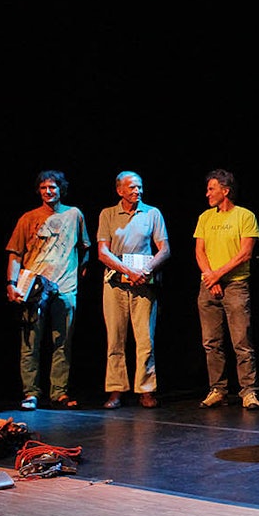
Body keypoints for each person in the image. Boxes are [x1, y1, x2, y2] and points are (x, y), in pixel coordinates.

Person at [5, 170, 90, 410]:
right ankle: (31, 392)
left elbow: (85, 247)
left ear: (61, 189)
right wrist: (11, 284)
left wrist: (78, 272)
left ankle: (59, 392)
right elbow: (15, 254)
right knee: (31, 342)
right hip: (34, 288)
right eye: (43, 188)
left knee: (63, 341)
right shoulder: (28, 218)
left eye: (52, 187)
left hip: (64, 286)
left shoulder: (74, 215)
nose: (48, 192)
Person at [95, 171, 170, 410]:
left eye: (139, 187)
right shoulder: (108, 214)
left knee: (145, 339)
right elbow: (102, 252)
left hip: (143, 284)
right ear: (120, 191)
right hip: (115, 284)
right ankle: (116, 390)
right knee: (115, 339)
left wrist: (145, 271)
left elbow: (164, 249)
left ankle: (145, 390)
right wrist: (127, 270)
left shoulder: (152, 213)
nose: (137, 191)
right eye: (132, 187)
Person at [194, 169, 259, 410]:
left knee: (241, 341)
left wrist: (217, 276)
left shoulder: (245, 216)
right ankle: (218, 389)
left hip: (235, 285)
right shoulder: (205, 217)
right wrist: (210, 279)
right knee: (211, 342)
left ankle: (249, 391)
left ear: (226, 190)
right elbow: (199, 251)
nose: (207, 194)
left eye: (211, 189)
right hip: (209, 286)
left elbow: (245, 253)